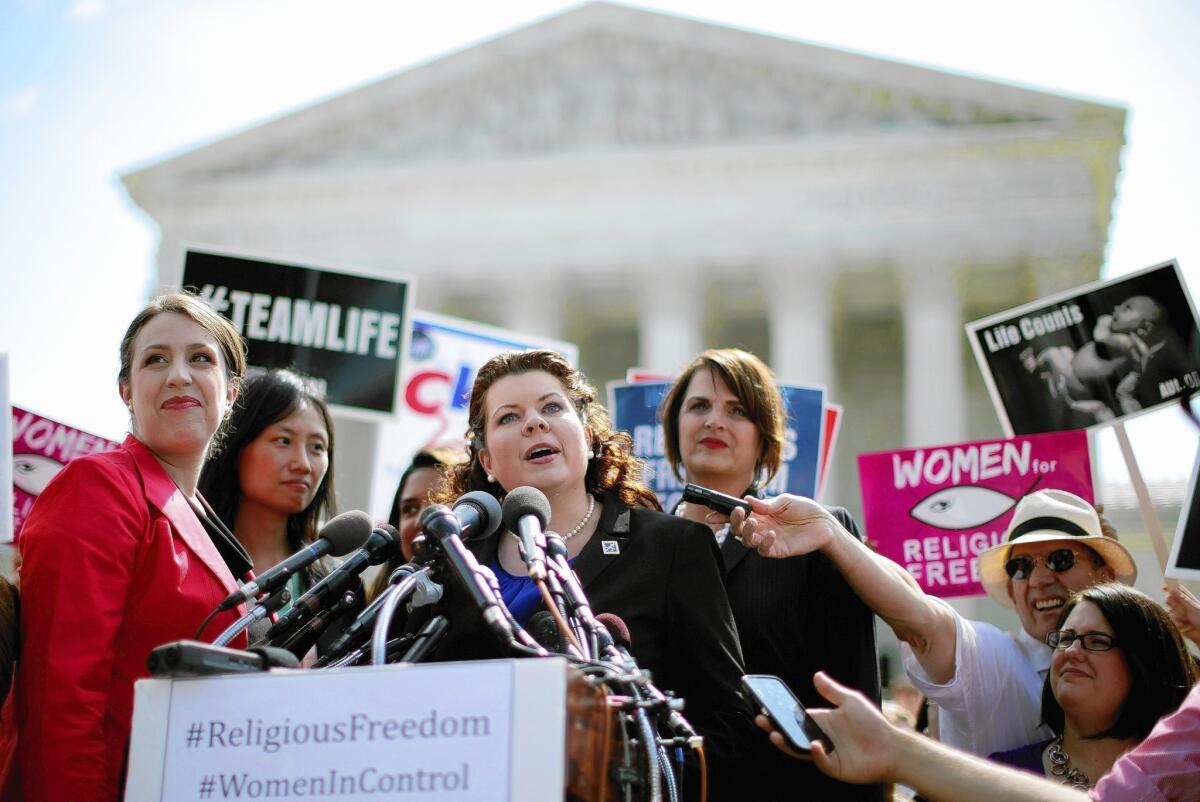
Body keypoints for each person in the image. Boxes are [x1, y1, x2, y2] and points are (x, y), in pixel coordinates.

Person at [417, 349, 752, 796]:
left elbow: (727, 720)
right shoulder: (452, 563)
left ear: (590, 438)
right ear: (487, 463)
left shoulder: (672, 548)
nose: (535, 423)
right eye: (509, 417)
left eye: (552, 407)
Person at [12, 292, 251, 801]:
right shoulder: (97, 487)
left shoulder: (209, 520)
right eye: (155, 360)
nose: (178, 375)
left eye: (200, 358)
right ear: (127, 390)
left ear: (231, 391)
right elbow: (62, 696)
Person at [732, 488, 1137, 757]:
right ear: (1011, 590)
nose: (1040, 578)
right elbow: (923, 621)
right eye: (1020, 566)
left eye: (1061, 559)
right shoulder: (999, 663)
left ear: (1104, 575)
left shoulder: (1152, 668)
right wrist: (834, 538)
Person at [658, 348, 882, 801]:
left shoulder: (819, 535)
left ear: (765, 439)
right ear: (673, 430)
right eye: (699, 406)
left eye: (737, 410)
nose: (714, 421)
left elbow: (856, 704)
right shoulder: (641, 544)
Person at [199, 367, 357, 658]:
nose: (303, 464)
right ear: (236, 449)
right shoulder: (193, 559)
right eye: (283, 441)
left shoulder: (339, 583)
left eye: (317, 447)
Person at [989, 584, 1195, 788]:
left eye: (1096, 641)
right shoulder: (1000, 776)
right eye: (1065, 638)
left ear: (1145, 665)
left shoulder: (1188, 779)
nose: (1071, 651)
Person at [368, 447, 464, 603]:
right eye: (410, 509)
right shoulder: (376, 612)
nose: (420, 520)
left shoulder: (499, 600)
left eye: (438, 502)